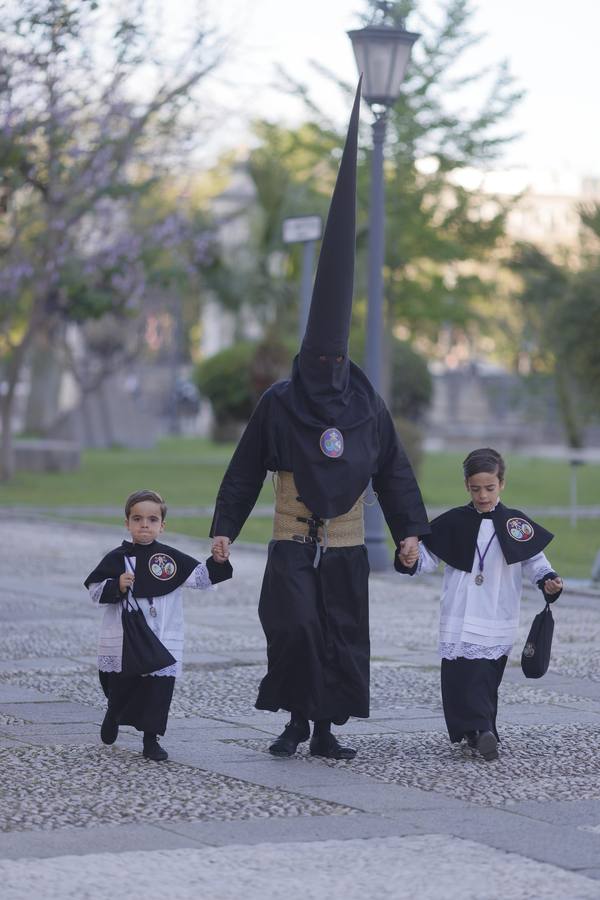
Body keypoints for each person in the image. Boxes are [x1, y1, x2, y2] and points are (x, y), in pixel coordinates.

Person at [210, 80, 430, 761]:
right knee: (295, 626)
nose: (330, 365)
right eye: (321, 357)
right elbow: (246, 469)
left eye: (337, 357)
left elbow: (392, 469)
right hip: (289, 536)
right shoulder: (280, 402)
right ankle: (294, 720)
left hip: (343, 543)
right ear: (308, 356)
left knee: (339, 631)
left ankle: (327, 729)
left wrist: (409, 534)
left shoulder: (364, 403)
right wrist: (222, 532)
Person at [395, 448, 563, 761]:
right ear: (466, 487)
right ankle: (478, 733)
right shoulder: (453, 522)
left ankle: (483, 730)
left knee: (486, 675)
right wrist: (410, 558)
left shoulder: (514, 524)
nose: (483, 495)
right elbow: (427, 559)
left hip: (496, 612)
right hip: (460, 611)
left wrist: (549, 579)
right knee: (459, 676)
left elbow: (535, 561)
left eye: (489, 488)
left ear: (502, 484)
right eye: (476, 489)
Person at [85, 489, 231, 761]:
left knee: (158, 690)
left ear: (162, 526)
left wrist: (219, 561)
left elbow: (201, 578)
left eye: (152, 519)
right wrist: (116, 585)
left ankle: (151, 739)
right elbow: (94, 591)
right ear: (127, 523)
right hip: (125, 635)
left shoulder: (171, 558)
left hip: (163, 634)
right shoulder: (116, 558)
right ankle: (114, 712)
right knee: (121, 682)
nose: (144, 524)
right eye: (137, 518)